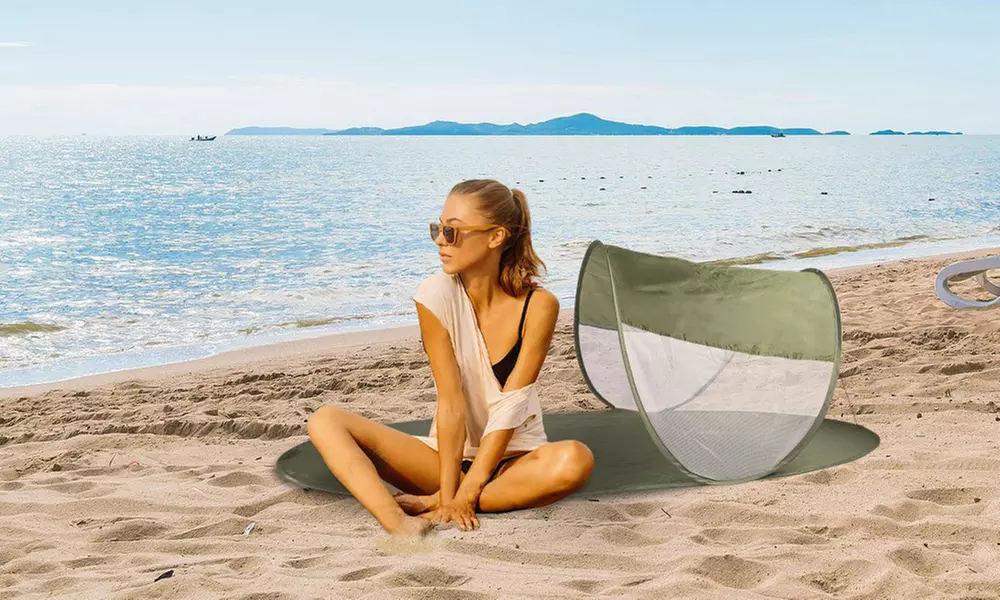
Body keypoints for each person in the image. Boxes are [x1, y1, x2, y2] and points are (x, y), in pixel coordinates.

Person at [307, 179, 594, 536]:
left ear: (496, 237)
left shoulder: (539, 305)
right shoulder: (434, 295)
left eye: (452, 232)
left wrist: (466, 494)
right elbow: (451, 403)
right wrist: (449, 492)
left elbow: (511, 406)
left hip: (515, 459)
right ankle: (399, 522)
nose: (440, 240)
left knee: (575, 460)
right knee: (325, 420)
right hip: (446, 458)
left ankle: (431, 501)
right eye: (437, 229)